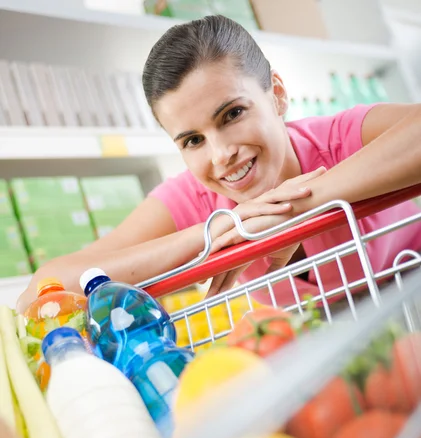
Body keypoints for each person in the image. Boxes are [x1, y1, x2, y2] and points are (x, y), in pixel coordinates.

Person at [17, 15, 421, 313]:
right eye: (193, 140)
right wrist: (220, 231)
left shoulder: (338, 140)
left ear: (277, 95)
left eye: (232, 114)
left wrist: (297, 207)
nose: (220, 154)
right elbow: (40, 293)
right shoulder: (195, 202)